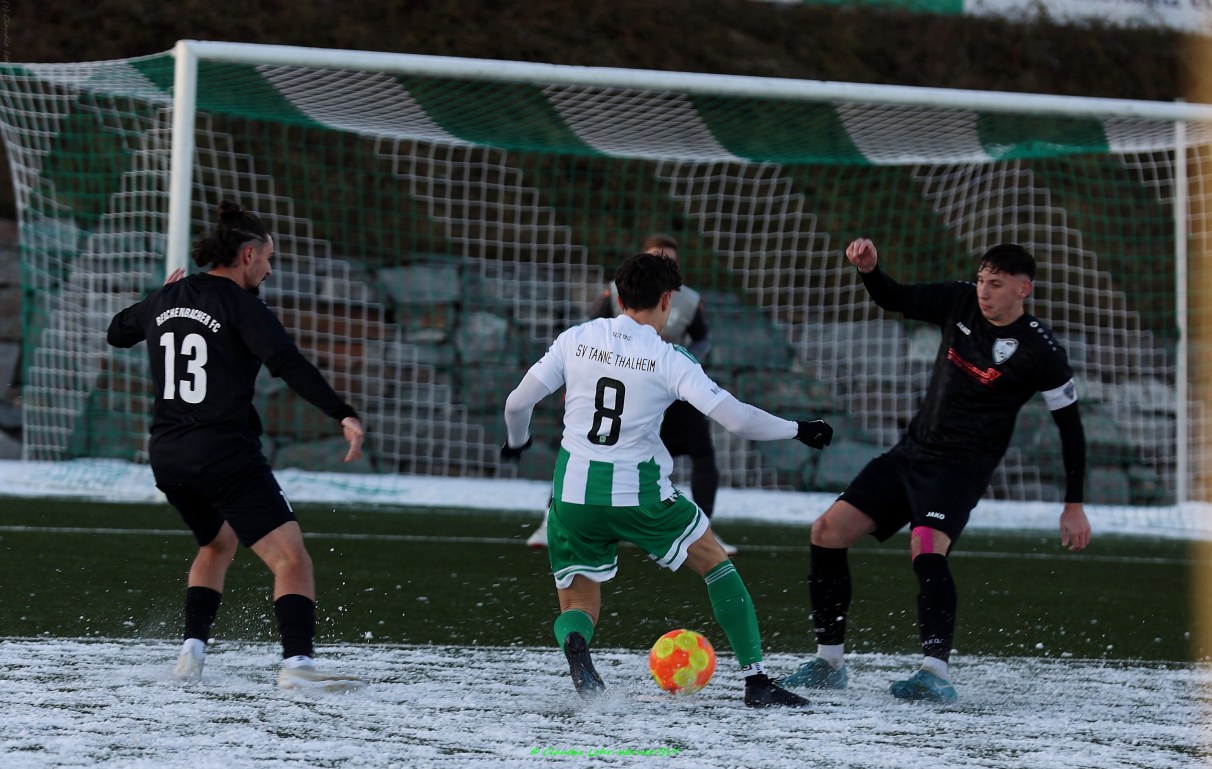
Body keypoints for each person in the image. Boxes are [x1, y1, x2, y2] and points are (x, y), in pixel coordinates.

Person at [501, 250, 834, 708]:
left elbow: (517, 403)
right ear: (666, 301)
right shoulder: (668, 357)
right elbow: (736, 419)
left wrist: (517, 443)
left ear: (618, 296)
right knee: (716, 562)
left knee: (579, 604)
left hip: (573, 494)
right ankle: (756, 681)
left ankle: (577, 647)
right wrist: (799, 428)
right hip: (639, 494)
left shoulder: (575, 339)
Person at [783, 238, 1091, 702]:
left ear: (1023, 289)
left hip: (961, 469)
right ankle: (829, 662)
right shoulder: (959, 300)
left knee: (925, 546)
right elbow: (895, 297)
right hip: (911, 453)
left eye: (997, 284)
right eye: (983, 280)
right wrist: (870, 269)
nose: (985, 292)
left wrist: (1073, 504)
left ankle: (934, 672)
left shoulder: (1041, 350)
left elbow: (1070, 428)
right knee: (827, 530)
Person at [107, 201, 366, 691]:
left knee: (218, 542)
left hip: (167, 455)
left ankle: (191, 653)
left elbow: (117, 332)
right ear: (247, 255)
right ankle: (298, 667)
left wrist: (159, 299)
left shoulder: (168, 298)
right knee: (291, 559)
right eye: (268, 258)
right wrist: (342, 412)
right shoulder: (244, 307)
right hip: (223, 451)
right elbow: (289, 364)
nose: (270, 269)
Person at [526, 235, 735, 555]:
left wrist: (683, 365)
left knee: (703, 451)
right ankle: (550, 516)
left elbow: (702, 339)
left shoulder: (689, 300)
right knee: (582, 444)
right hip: (623, 385)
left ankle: (705, 527)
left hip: (671, 388)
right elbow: (588, 330)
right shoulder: (617, 292)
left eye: (670, 260)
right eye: (656, 257)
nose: (663, 264)